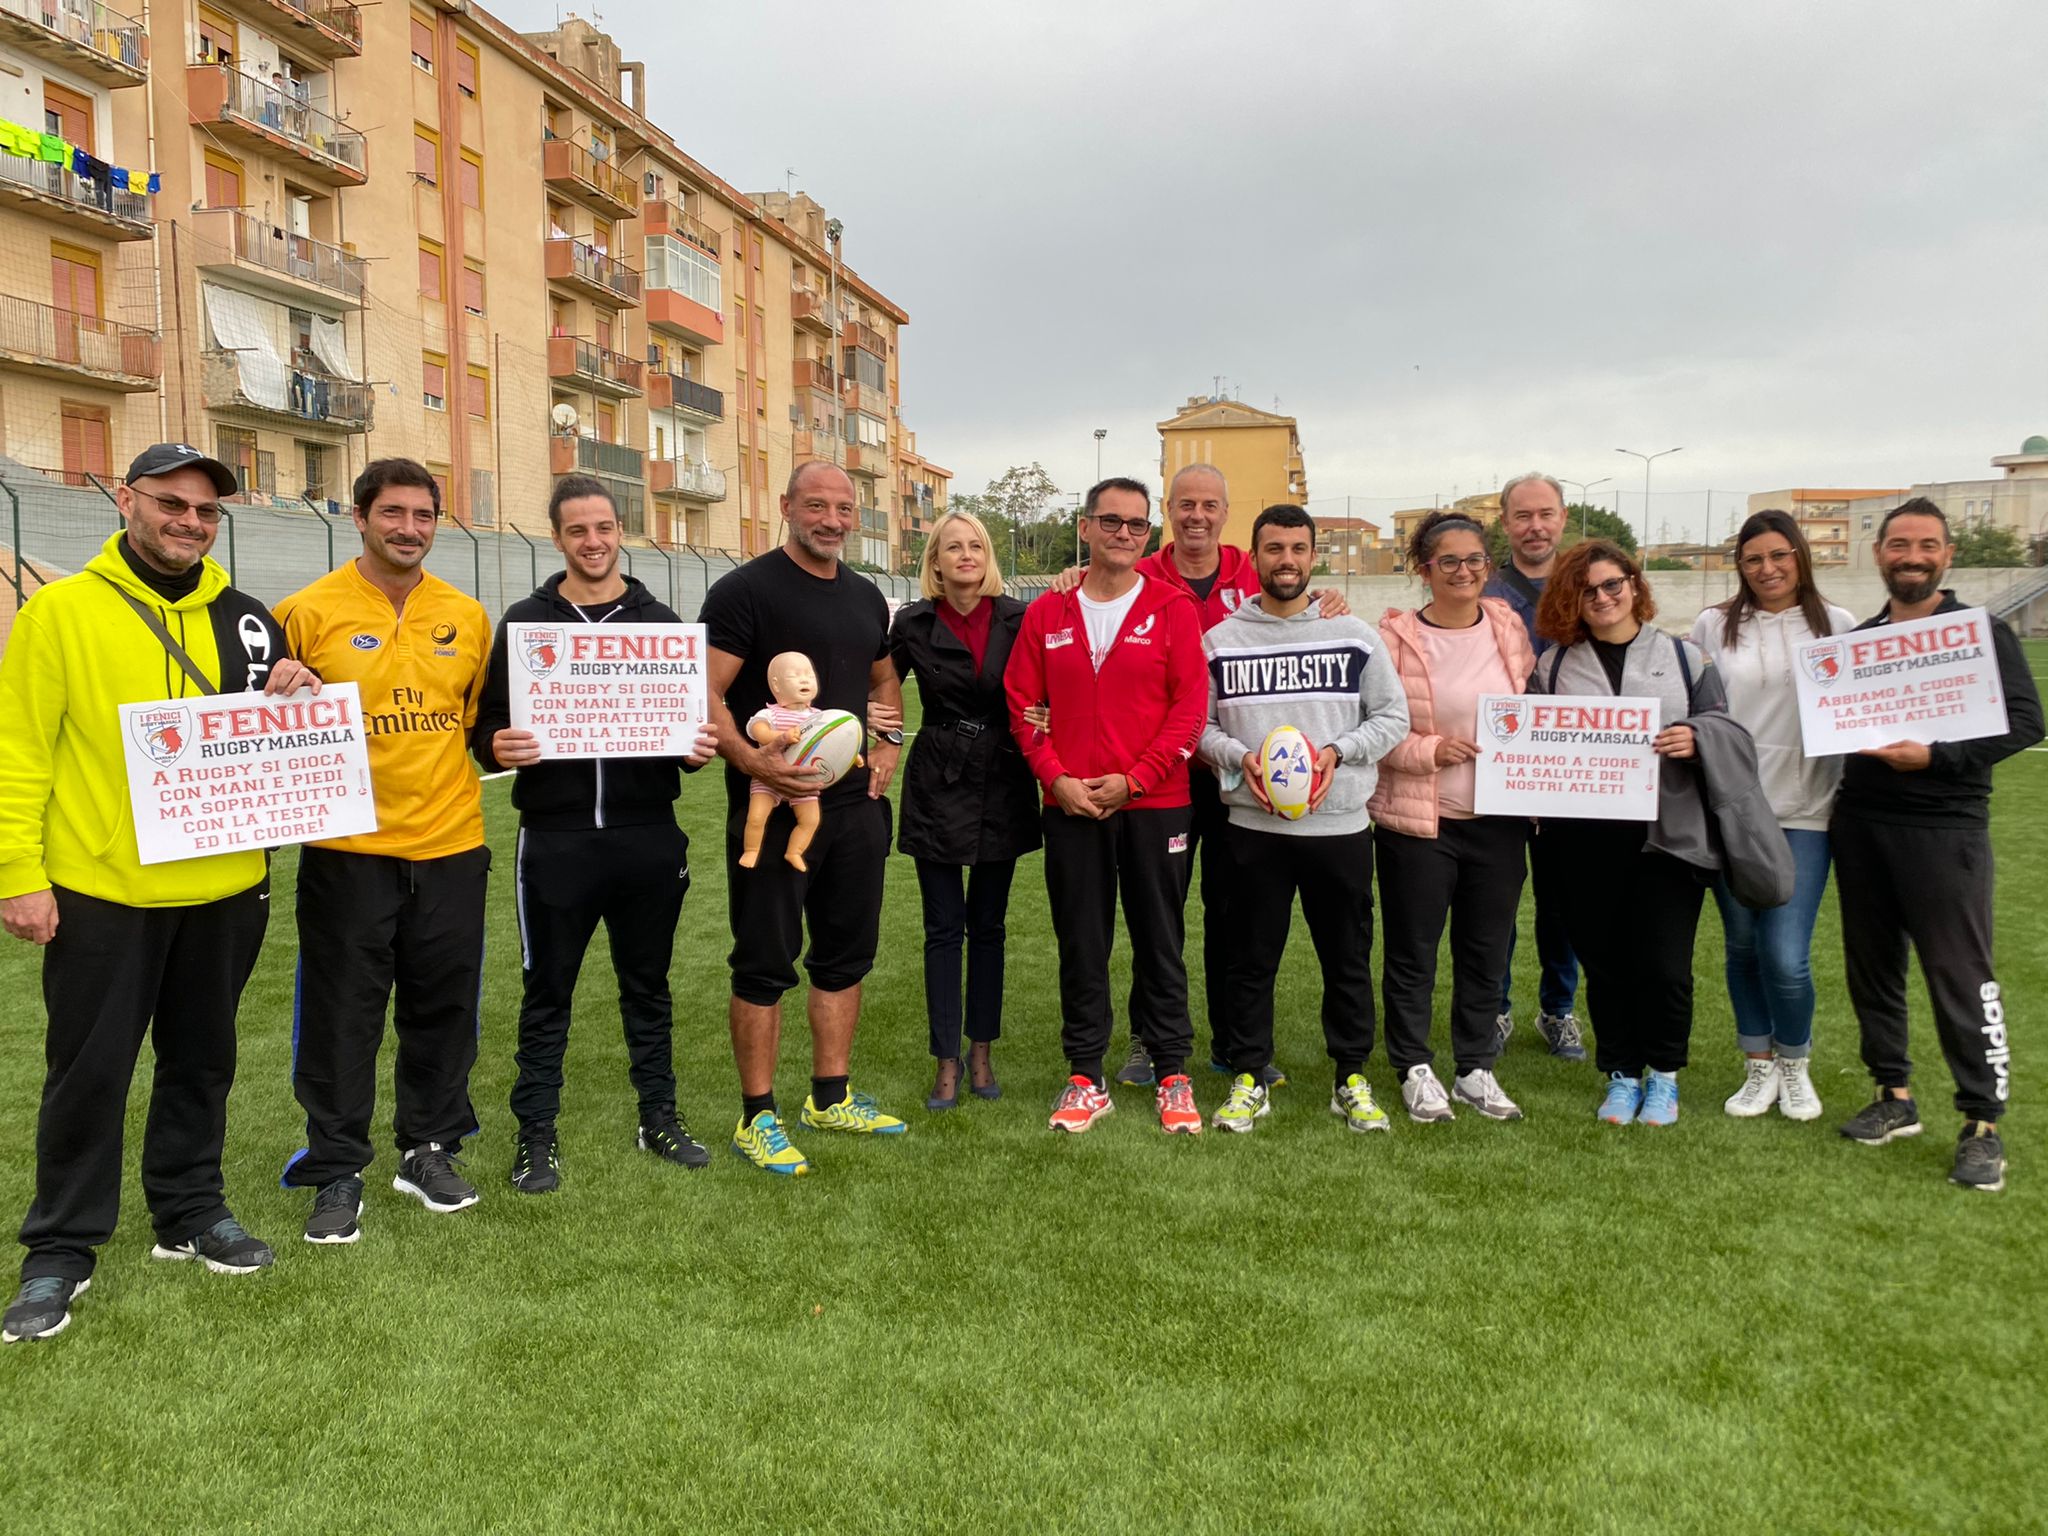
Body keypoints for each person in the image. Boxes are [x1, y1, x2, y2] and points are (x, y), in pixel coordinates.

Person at [0, 444, 321, 1344]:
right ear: (128, 503)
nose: (188, 522)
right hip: (103, 887)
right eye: (171, 504)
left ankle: (189, 1209)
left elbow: (266, 742)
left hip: (227, 885)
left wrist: (296, 692)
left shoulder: (249, 619)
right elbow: (19, 750)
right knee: (89, 1071)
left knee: (202, 1061)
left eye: (206, 511)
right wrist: (18, 874)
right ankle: (61, 1246)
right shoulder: (61, 611)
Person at [472, 475, 721, 1193]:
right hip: (556, 840)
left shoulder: (661, 623)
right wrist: (498, 747)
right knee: (547, 991)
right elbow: (486, 726)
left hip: (648, 836)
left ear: (621, 533)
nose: (593, 541)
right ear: (557, 538)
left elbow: (684, 733)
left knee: (649, 986)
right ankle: (536, 1136)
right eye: (578, 530)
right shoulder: (525, 622)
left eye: (605, 528)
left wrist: (693, 748)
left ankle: (659, 1117)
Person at [275, 458, 492, 1243]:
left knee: (444, 1008)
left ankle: (427, 1149)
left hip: (451, 846)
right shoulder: (304, 612)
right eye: (392, 513)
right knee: (343, 1014)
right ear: (359, 517)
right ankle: (336, 1166)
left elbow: (475, 729)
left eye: (423, 515)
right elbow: (267, 726)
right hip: (346, 851)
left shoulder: (466, 616)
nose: (409, 528)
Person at [699, 462, 906, 1177]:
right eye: (815, 505)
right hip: (775, 809)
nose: (831, 519)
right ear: (785, 506)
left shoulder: (864, 596)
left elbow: (884, 679)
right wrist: (754, 764)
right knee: (763, 961)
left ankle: (830, 1095)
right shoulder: (744, 591)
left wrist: (888, 745)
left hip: (854, 813)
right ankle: (757, 1117)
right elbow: (709, 693)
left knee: (845, 955)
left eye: (843, 507)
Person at [1832, 499, 2042, 1191]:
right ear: (1880, 555)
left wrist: (1938, 758)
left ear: (1946, 555)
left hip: (1945, 828)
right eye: (1898, 545)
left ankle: (1982, 1122)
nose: (1911, 556)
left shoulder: (1978, 631)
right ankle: (1894, 1095)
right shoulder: (1861, 642)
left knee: (1960, 975)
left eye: (1925, 545)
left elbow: (2023, 722)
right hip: (1862, 824)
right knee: (1873, 967)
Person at [1005, 477, 1208, 1135]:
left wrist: (1137, 779)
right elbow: (1022, 706)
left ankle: (1173, 1073)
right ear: (1085, 527)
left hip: (1155, 804)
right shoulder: (1048, 613)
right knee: (1082, 943)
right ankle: (1085, 1075)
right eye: (1111, 521)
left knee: (1161, 941)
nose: (1124, 534)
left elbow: (1189, 711)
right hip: (1072, 806)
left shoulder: (1173, 609)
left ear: (1149, 534)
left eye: (1137, 525)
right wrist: (1056, 779)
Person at [1197, 505, 1409, 1133]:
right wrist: (1241, 759)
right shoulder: (1222, 641)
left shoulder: (1355, 635)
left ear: (1313, 555)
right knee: (1249, 959)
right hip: (1253, 830)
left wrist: (1336, 753)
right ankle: (1249, 1074)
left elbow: (1392, 718)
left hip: (1339, 829)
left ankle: (1351, 1077)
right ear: (1255, 556)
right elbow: (1197, 727)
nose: (1285, 560)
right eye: (1273, 549)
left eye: (1297, 548)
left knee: (1346, 957)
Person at [1528, 541, 1727, 1128]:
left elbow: (1721, 727)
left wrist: (1695, 739)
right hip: (1581, 843)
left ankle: (1663, 1076)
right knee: (1605, 961)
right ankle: (1621, 1073)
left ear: (1635, 585)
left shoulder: (1686, 658)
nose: (1603, 598)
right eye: (1587, 590)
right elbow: (1531, 747)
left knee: (1664, 964)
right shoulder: (1554, 666)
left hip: (1668, 837)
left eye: (1613, 584)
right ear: (1571, 600)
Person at [1369, 510, 1539, 1123]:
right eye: (1449, 561)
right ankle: (1414, 1066)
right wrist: (1429, 751)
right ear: (1424, 569)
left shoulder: (1506, 625)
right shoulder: (1390, 640)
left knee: (1486, 952)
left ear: (1487, 567)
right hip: (1419, 821)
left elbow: (1528, 709)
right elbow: (1376, 732)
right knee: (1413, 952)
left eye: (1474, 561)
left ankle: (1475, 1068)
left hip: (1497, 822)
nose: (1463, 571)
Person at [1688, 510, 1855, 1121]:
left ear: (1800, 556)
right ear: (1741, 565)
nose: (1768, 569)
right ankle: (1758, 1066)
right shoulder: (1713, 626)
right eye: (1754, 559)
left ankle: (1795, 1063)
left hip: (1808, 808)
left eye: (1779, 555)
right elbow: (1696, 708)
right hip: (1734, 811)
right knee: (1743, 947)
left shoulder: (1837, 624)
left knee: (1787, 954)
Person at [887, 510, 1039, 1110]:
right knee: (943, 929)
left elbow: (1053, 677)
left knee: (990, 927)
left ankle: (982, 1051)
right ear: (935, 561)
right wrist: (877, 726)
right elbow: (877, 684)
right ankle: (946, 1059)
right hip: (937, 776)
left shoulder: (1019, 618)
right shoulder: (912, 623)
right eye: (953, 547)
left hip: (1002, 774)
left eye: (975, 545)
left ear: (988, 556)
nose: (966, 555)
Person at [1481, 471, 1584, 1061]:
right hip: (1500, 765)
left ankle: (1559, 1010)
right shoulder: (1484, 587)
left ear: (1563, 518)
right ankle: (1494, 1008)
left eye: (1545, 514)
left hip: (1570, 771)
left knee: (1562, 901)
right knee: (1497, 897)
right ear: (1506, 522)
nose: (1535, 526)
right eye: (1523, 516)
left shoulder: (1586, 586)